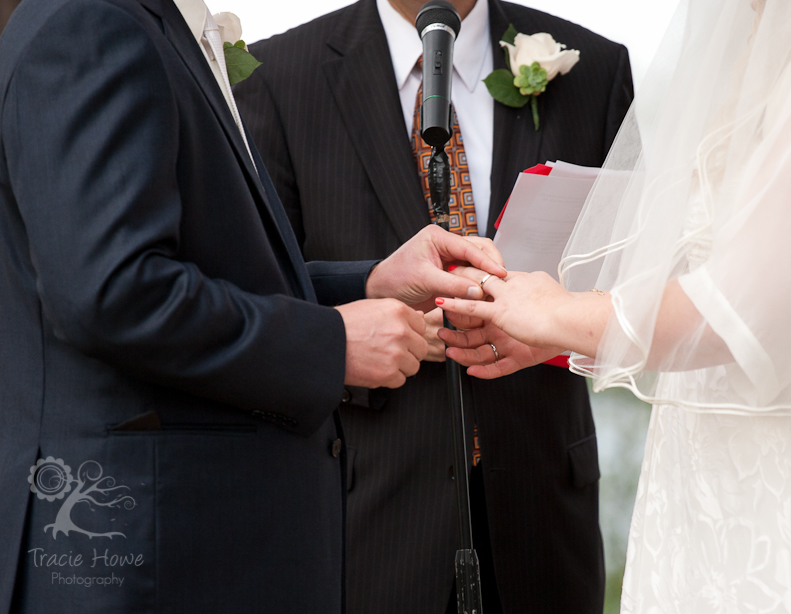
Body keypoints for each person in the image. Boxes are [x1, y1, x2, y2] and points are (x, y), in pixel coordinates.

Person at [0, 0, 505, 611]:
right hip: (141, 562)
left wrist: (369, 282)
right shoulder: (90, 24)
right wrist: (332, 344)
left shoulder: (145, 23)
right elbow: (112, 293)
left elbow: (204, 268)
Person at [438, 0, 791, 610]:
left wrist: (556, 312)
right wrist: (562, 330)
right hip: (710, 492)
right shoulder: (764, 50)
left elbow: (745, 309)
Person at [233, 1, 633, 612]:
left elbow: (633, 283)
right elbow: (257, 297)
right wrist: (350, 340)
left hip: (544, 513)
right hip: (362, 516)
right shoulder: (274, 74)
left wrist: (557, 326)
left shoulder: (595, 68)